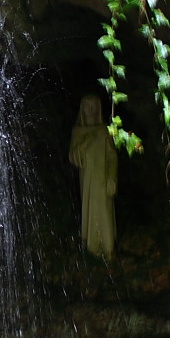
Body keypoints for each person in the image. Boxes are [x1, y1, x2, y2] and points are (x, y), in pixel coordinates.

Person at [68, 94, 117, 258]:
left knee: (103, 209)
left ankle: (108, 248)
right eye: (86, 108)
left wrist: (112, 178)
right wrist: (87, 141)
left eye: (92, 108)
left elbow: (112, 157)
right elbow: (74, 157)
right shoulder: (79, 132)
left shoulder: (104, 132)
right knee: (89, 209)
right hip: (87, 179)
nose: (90, 112)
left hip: (102, 179)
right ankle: (92, 248)